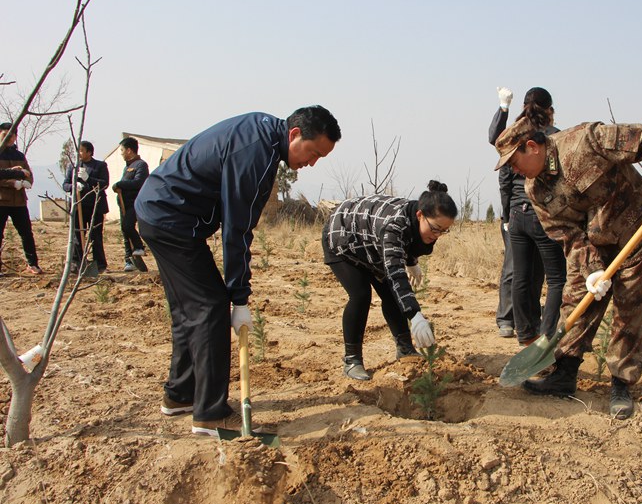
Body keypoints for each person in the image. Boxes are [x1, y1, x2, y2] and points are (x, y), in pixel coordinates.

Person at [135, 106, 341, 437]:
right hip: (170, 217)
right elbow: (237, 228)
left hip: (161, 211)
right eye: (313, 152)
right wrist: (239, 298)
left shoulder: (262, 136)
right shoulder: (256, 153)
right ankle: (210, 414)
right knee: (210, 307)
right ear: (295, 135)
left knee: (189, 309)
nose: (312, 163)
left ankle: (180, 395)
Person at [493, 112, 642, 419]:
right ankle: (564, 373)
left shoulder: (585, 141)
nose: (513, 169)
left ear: (533, 147)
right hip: (596, 243)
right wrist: (592, 269)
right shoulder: (535, 191)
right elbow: (567, 235)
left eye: (514, 161)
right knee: (577, 299)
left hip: (639, 231)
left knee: (631, 306)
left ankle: (621, 384)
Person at [322, 180, 457, 380]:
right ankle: (352, 360)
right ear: (420, 215)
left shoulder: (417, 218)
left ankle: (405, 349)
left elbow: (408, 241)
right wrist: (414, 315)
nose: (437, 235)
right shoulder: (393, 227)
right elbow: (395, 273)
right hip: (343, 237)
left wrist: (411, 261)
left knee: (391, 295)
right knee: (361, 295)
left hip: (371, 242)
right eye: (435, 229)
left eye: (444, 231)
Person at [490, 87, 566, 347]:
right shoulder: (553, 138)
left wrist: (506, 214)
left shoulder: (515, 134)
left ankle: (523, 333)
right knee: (555, 278)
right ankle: (546, 336)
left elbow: (503, 175)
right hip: (541, 213)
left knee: (518, 275)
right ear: (550, 110)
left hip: (516, 213)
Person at [0, 122, 43, 275]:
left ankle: (32, 264)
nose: (9, 138)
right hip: (1, 200)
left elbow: (28, 174)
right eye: (5, 134)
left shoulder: (19, 156)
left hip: (19, 201)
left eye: (12, 135)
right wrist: (11, 182)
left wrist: (27, 182)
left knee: (26, 233)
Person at [63, 141, 109, 274]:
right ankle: (77, 263)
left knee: (96, 236)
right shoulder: (73, 167)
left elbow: (104, 184)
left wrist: (88, 179)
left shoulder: (100, 166)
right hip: (79, 206)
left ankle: (100, 264)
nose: (79, 153)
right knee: (77, 235)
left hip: (95, 206)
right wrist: (73, 186)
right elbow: (65, 184)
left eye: (82, 150)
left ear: (89, 152)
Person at [111, 136, 149, 272]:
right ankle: (129, 260)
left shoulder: (141, 165)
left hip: (135, 203)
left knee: (128, 226)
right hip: (124, 205)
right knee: (125, 231)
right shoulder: (127, 167)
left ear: (129, 150)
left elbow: (139, 183)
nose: (121, 153)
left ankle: (139, 247)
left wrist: (120, 184)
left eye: (122, 150)